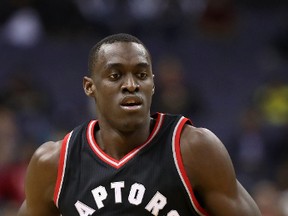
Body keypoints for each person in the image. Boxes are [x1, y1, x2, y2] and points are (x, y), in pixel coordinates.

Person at [17, 33, 261, 216]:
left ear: (152, 85)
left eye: (141, 75)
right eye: (116, 76)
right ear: (89, 86)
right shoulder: (54, 163)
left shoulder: (194, 149)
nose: (131, 85)